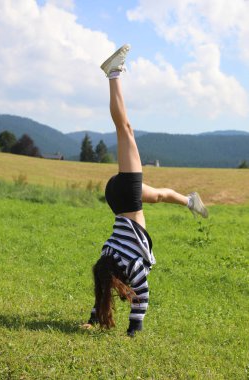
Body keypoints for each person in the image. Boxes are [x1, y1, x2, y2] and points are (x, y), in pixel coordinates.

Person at [83, 44, 208, 337]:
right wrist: (93, 316)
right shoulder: (106, 257)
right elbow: (103, 290)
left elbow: (143, 295)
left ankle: (113, 73)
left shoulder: (130, 268)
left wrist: (133, 330)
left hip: (126, 197)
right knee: (161, 196)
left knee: (124, 128)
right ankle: (190, 201)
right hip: (117, 199)